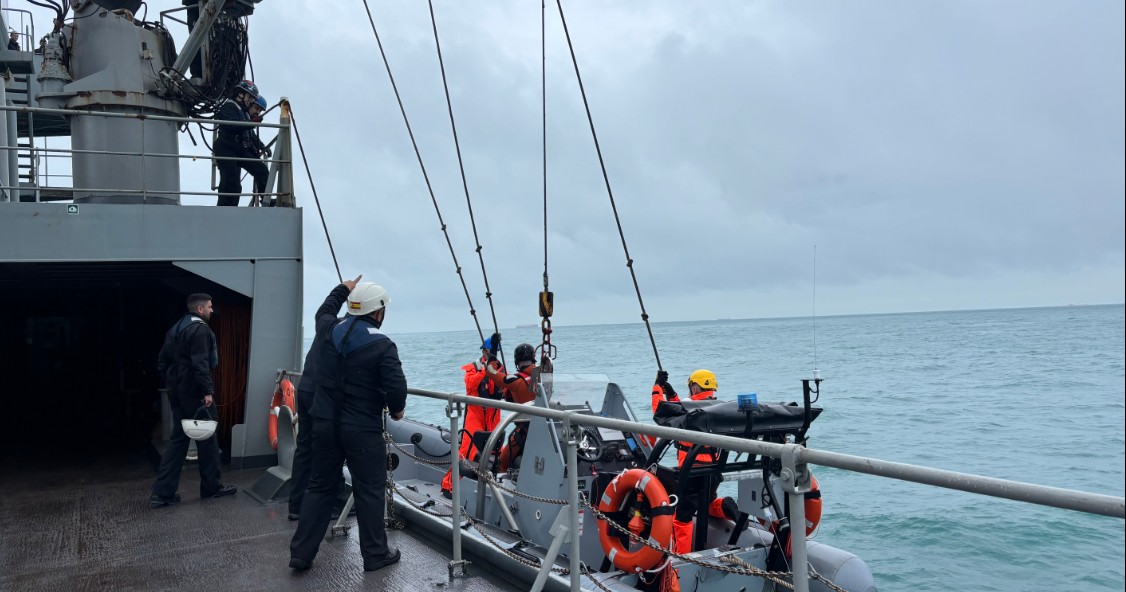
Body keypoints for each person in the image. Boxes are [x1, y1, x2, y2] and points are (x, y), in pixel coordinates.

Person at [289, 280, 407, 573]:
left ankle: (301, 554)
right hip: (362, 430)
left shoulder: (328, 330)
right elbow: (396, 387)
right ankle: (375, 554)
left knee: (320, 487)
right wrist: (397, 410)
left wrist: (342, 288)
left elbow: (324, 311)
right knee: (370, 489)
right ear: (378, 312)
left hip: (325, 425)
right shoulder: (382, 345)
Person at [151, 293, 237, 507]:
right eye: (209, 307)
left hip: (177, 393)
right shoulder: (200, 329)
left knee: (178, 441)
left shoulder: (176, 329)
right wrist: (207, 391)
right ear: (200, 309)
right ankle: (211, 487)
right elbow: (200, 364)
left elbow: (162, 362)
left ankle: (162, 493)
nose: (212, 310)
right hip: (196, 394)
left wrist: (174, 385)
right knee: (208, 439)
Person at [286, 276, 358, 521]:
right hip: (324, 398)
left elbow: (327, 307)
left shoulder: (327, 324)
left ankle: (296, 505)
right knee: (331, 448)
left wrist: (343, 288)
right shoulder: (352, 335)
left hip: (306, 391)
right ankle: (335, 503)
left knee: (305, 449)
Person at [652, 369, 737, 553]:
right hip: (713, 471)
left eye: (691, 387)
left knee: (682, 517)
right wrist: (672, 395)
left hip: (691, 471)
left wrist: (657, 387)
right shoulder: (719, 407)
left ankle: (682, 558)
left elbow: (661, 411)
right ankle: (724, 507)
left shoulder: (689, 407)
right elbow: (679, 410)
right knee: (706, 501)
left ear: (695, 388)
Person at [441, 332, 505, 496]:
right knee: (467, 450)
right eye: (487, 351)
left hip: (493, 414)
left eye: (491, 351)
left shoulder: (500, 368)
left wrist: (495, 370)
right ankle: (449, 486)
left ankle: (496, 487)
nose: (489, 354)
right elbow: (470, 385)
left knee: (497, 451)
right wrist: (486, 370)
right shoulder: (473, 368)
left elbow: (503, 388)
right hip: (475, 414)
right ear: (483, 351)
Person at [486, 342, 541, 472]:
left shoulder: (515, 381)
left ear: (517, 361)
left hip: (525, 432)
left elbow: (491, 372)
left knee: (501, 464)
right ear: (533, 358)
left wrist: (492, 355)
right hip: (547, 429)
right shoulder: (544, 375)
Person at [213, 79, 268, 207]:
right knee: (230, 182)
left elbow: (250, 134)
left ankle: (266, 200)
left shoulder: (243, 112)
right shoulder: (229, 106)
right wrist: (251, 123)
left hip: (238, 148)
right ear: (241, 94)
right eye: (250, 97)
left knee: (261, 170)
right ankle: (224, 210)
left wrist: (262, 146)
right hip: (226, 147)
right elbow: (232, 125)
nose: (251, 100)